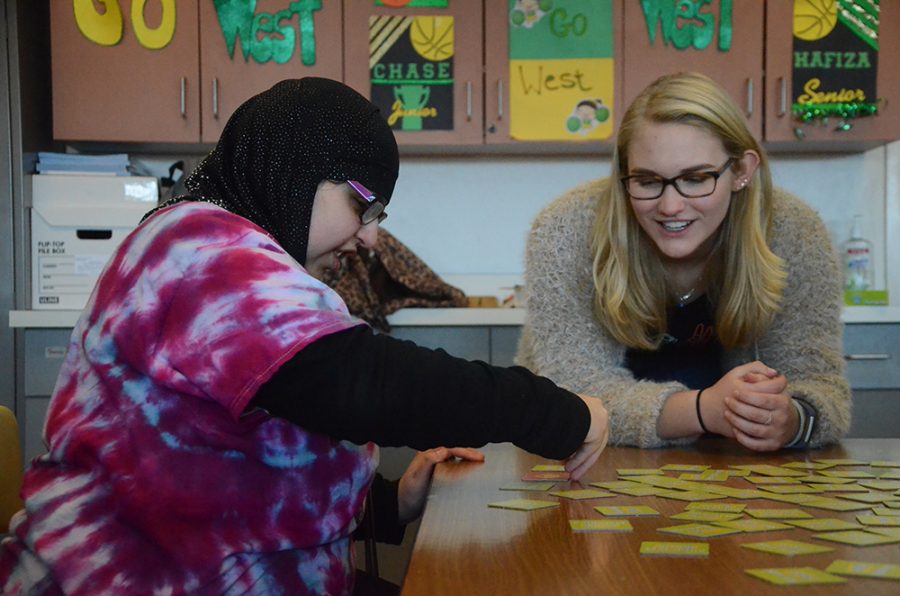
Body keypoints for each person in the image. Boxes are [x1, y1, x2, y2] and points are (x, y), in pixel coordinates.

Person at [0, 78, 609, 595]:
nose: (370, 237)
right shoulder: (201, 250)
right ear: (296, 172)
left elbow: (243, 463)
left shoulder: (220, 248)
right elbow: (361, 384)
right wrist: (558, 414)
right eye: (363, 206)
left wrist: (389, 503)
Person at [517, 71, 850, 453]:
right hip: (584, 460)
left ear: (741, 171)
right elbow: (569, 396)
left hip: (734, 467)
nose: (670, 206)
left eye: (695, 178)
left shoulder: (794, 231)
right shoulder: (565, 229)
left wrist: (791, 419)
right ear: (623, 175)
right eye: (647, 181)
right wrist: (704, 410)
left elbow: (824, 391)